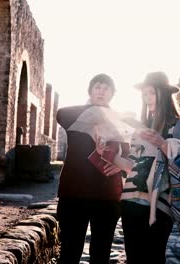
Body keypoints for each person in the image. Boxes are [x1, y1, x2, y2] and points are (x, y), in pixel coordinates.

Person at [100, 71, 180, 264]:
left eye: (151, 93)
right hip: (130, 204)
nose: (147, 98)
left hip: (159, 207)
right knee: (134, 259)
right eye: (145, 94)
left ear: (163, 93)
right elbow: (134, 168)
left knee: (154, 258)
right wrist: (111, 157)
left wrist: (163, 143)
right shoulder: (140, 128)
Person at [55, 73, 128, 264]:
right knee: (69, 253)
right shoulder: (73, 116)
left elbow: (129, 154)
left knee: (101, 255)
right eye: (97, 87)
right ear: (90, 91)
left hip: (107, 195)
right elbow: (60, 113)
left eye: (106, 88)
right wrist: (98, 115)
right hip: (75, 193)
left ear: (113, 93)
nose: (101, 91)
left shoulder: (122, 122)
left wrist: (121, 168)